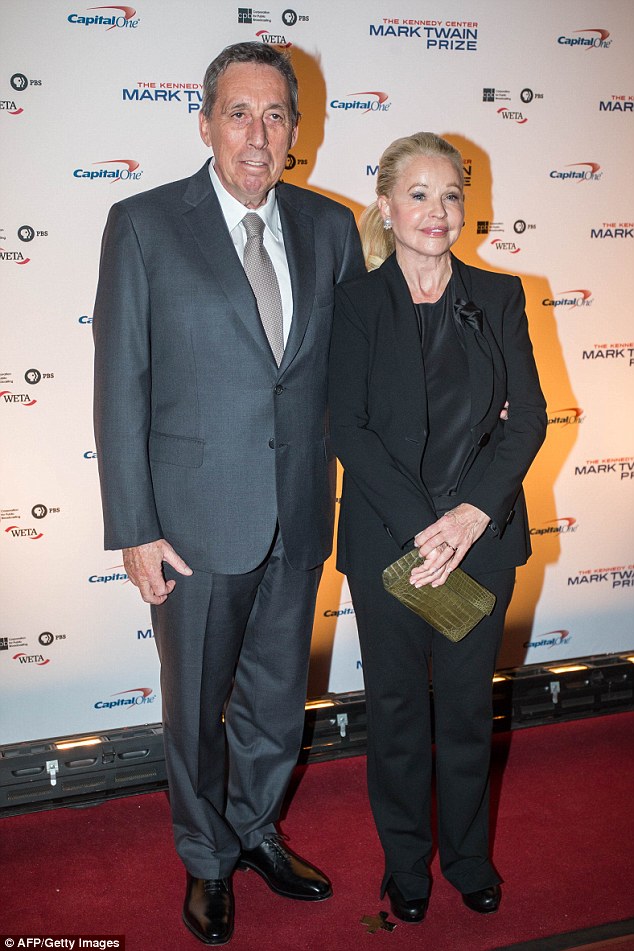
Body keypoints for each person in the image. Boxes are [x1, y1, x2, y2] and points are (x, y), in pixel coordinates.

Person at [93, 42, 364, 945]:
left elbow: (356, 375)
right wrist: (134, 525)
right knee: (194, 704)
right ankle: (205, 858)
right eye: (239, 113)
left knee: (277, 700)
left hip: (297, 508)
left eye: (275, 115)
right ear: (205, 122)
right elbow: (120, 384)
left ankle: (253, 829)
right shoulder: (143, 224)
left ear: (297, 130)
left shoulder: (331, 229)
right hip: (193, 524)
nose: (258, 134)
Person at [328, 132, 546, 924]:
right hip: (391, 546)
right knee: (394, 714)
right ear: (387, 205)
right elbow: (348, 429)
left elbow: (527, 423)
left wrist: (468, 515)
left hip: (481, 544)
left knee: (462, 712)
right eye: (418, 194)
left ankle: (468, 858)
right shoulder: (353, 304)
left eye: (450, 194)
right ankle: (406, 867)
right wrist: (428, 528)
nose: (436, 210)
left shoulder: (499, 297)